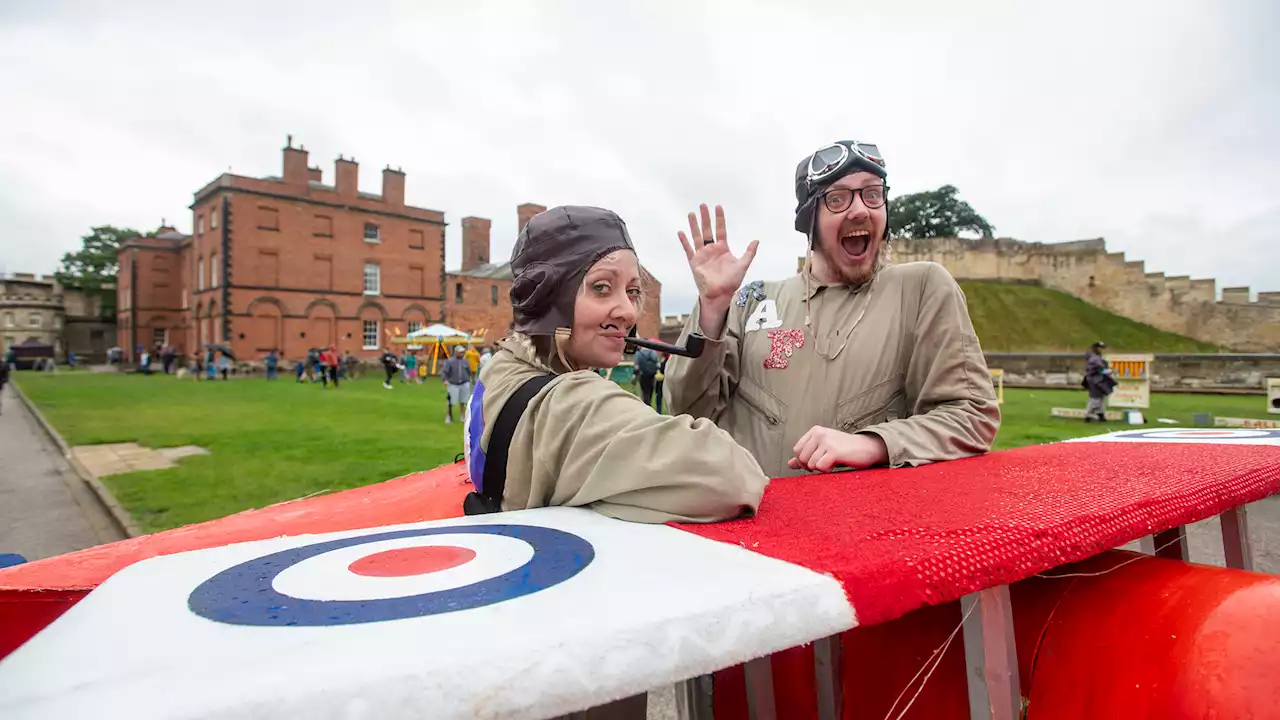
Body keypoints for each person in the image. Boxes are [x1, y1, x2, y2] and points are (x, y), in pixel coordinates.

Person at [665, 140, 1000, 477]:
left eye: (872, 194)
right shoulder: (752, 301)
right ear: (810, 219)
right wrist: (712, 307)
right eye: (837, 199)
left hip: (863, 525)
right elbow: (686, 409)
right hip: (750, 523)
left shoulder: (921, 289)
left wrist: (877, 443)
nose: (860, 211)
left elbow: (970, 415)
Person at [464, 204, 766, 523]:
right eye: (601, 288)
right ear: (547, 297)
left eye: (632, 291)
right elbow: (730, 476)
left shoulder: (503, 365)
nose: (628, 311)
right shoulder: (573, 405)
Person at [1082, 341, 1116, 422]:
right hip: (1095, 380)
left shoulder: (1095, 357)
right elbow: (1100, 370)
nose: (1103, 350)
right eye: (1101, 348)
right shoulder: (1095, 358)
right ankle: (1088, 415)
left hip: (1097, 379)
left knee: (1101, 397)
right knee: (1095, 398)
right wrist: (1110, 371)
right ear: (1097, 348)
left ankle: (1100, 414)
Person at [442, 345, 473, 424]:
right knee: (451, 401)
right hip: (453, 383)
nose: (462, 354)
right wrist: (445, 380)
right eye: (460, 352)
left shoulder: (466, 361)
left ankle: (462, 416)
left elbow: (469, 371)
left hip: (464, 382)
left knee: (463, 400)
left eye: (463, 352)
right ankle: (448, 416)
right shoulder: (450, 361)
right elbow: (445, 372)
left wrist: (469, 379)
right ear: (455, 352)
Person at [633, 344, 661, 410]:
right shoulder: (653, 352)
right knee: (650, 389)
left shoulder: (638, 353)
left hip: (643, 374)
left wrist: (635, 374)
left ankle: (646, 404)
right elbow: (658, 363)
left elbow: (636, 367)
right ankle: (649, 402)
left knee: (645, 390)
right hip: (652, 374)